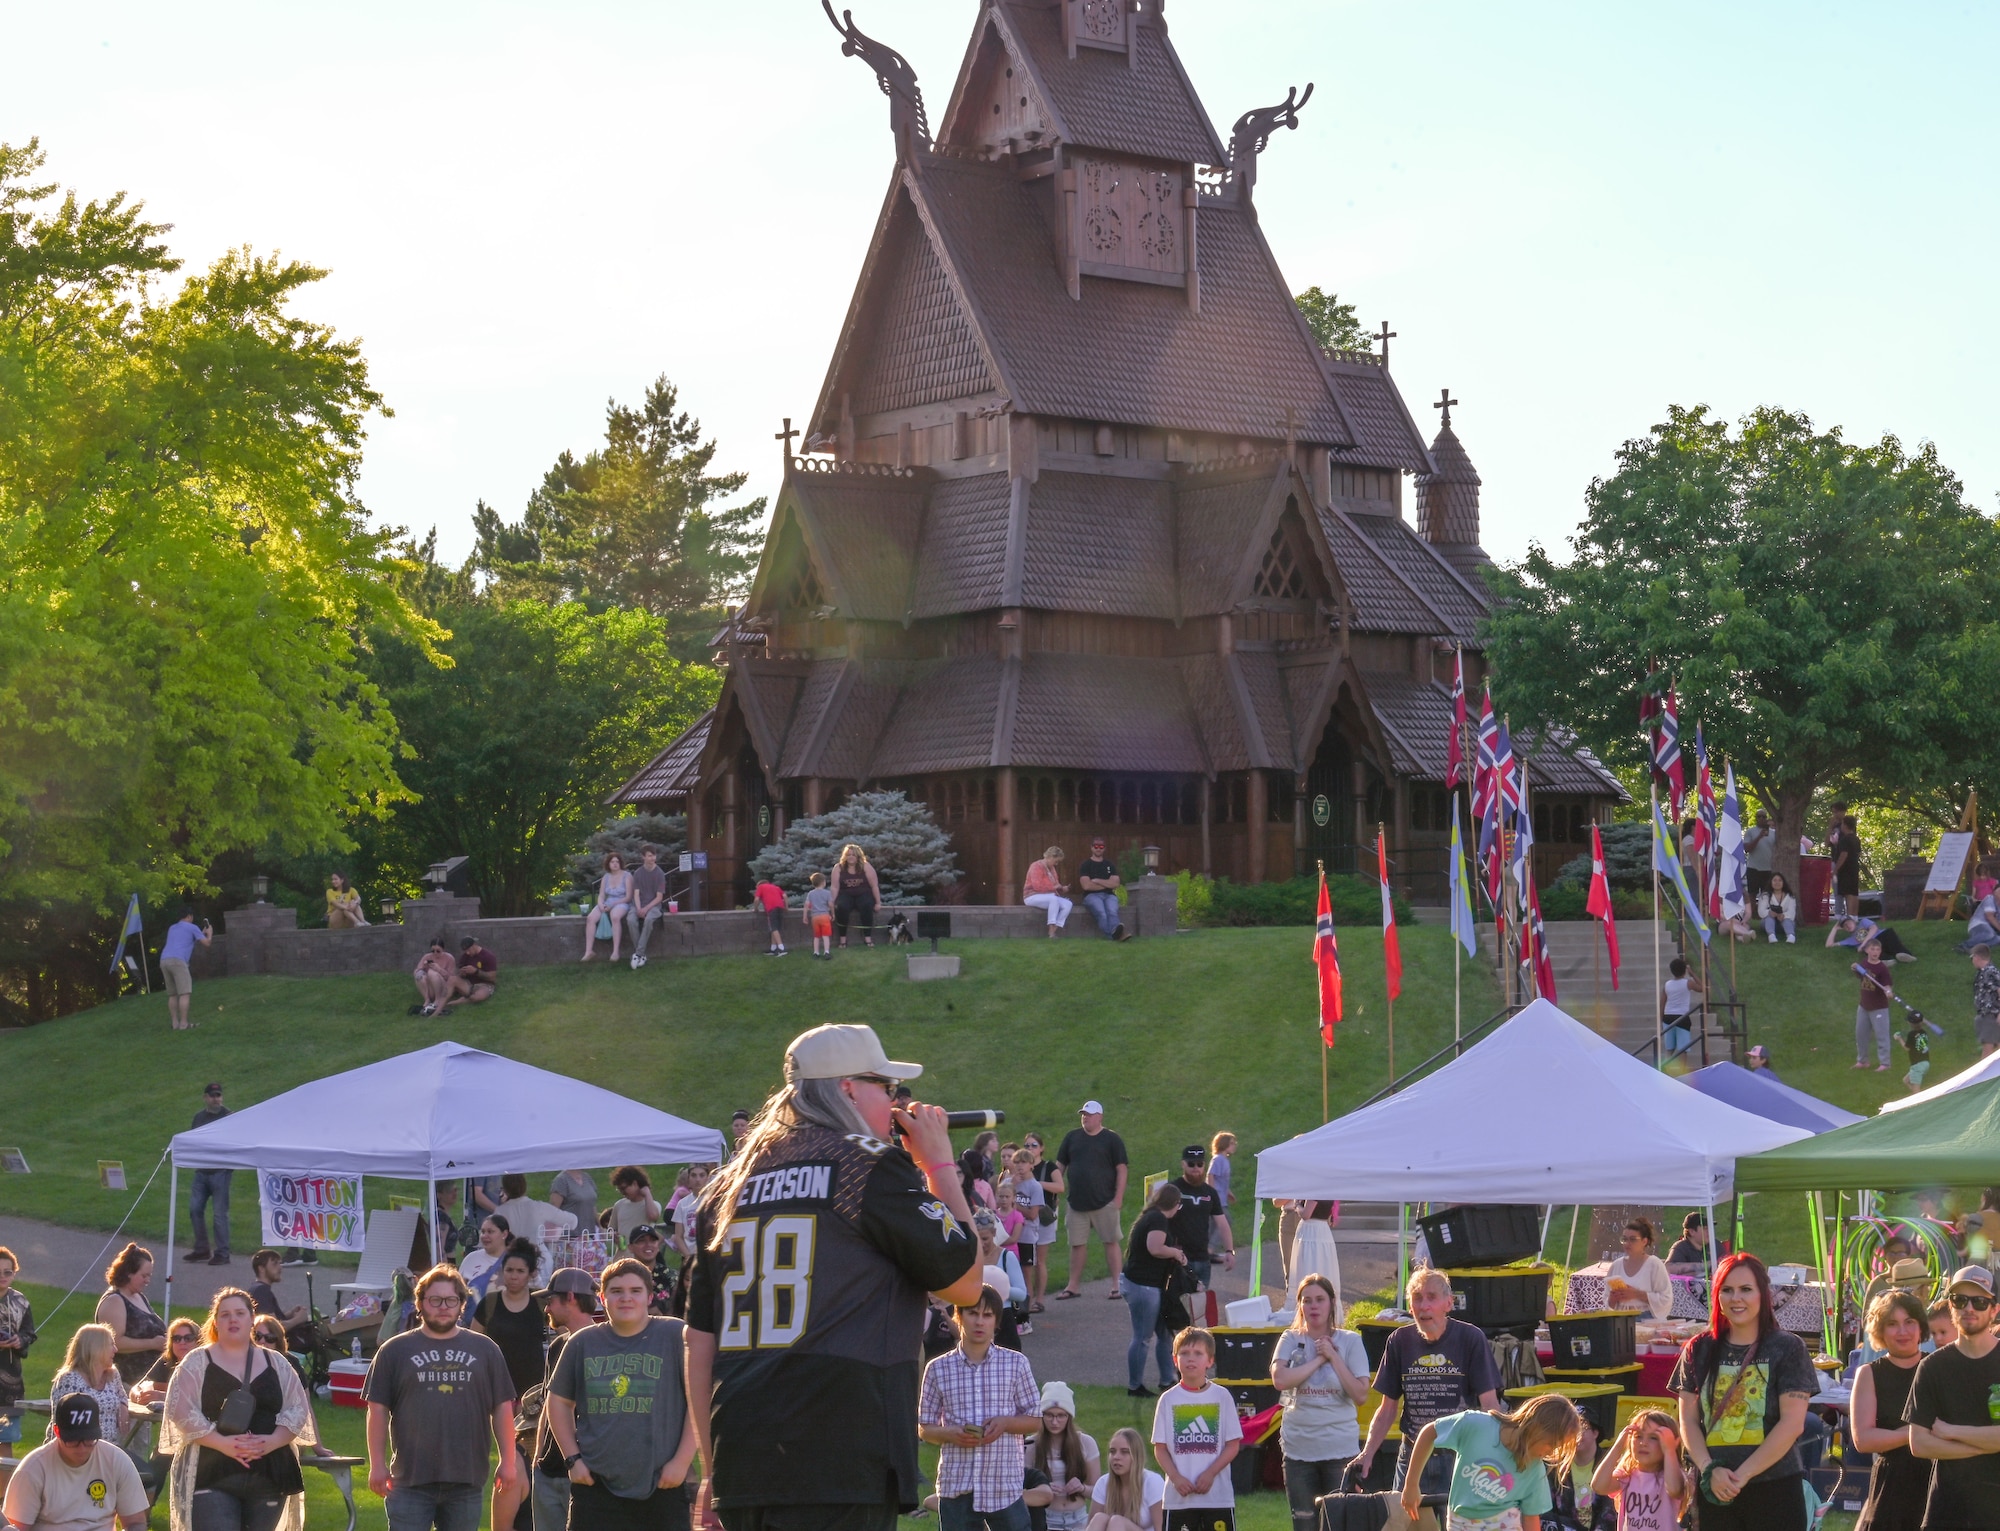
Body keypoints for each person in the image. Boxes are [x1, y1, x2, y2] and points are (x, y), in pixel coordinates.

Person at [684, 1023, 982, 1531]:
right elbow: (966, 1283)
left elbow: (699, 1344)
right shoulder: (869, 1168)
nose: (894, 1103)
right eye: (885, 1088)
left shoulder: (728, 1187)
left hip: (743, 1450)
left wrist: (714, 1472)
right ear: (848, 1088)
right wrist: (939, 1166)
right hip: (841, 1444)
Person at [363, 1263, 518, 1531]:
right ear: (420, 1303)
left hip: (466, 1480)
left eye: (450, 1300)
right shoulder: (394, 1351)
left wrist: (508, 1461)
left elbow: (503, 1408)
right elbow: (376, 1411)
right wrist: (376, 1465)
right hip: (410, 1480)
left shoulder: (485, 1350)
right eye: (435, 1300)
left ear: (461, 1304)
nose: (443, 1306)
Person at [546, 1257, 696, 1531]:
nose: (626, 1298)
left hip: (662, 1482)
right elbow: (558, 1402)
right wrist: (572, 1459)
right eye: (616, 1291)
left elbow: (697, 1402)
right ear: (602, 1297)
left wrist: (682, 1461)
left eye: (635, 1291)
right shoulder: (582, 1342)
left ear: (649, 1296)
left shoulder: (675, 1334)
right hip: (596, 1484)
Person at [1670, 1251, 1815, 1530]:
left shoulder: (1788, 1347)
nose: (1736, 1298)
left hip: (1775, 1488)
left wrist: (1741, 1476)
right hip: (1716, 1490)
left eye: (1746, 1289)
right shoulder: (1698, 1349)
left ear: (1763, 1294)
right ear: (1717, 1296)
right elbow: (1687, 1420)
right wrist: (1710, 1469)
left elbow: (1792, 1424)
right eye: (1727, 1290)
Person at [155, 1286, 315, 1531]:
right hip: (213, 1471)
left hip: (270, 1472)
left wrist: (271, 1441)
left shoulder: (277, 1363)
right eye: (225, 1314)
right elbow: (180, 1410)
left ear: (252, 1319)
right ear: (216, 1321)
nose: (232, 1319)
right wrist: (223, 1443)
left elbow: (298, 1410)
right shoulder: (197, 1361)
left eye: (239, 1313)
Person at [1355, 1268, 1503, 1497]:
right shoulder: (1398, 1341)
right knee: (1405, 1523)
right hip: (1413, 1454)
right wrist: (1367, 1454)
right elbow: (1387, 1409)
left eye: (1431, 1297)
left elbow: (1489, 1404)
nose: (1424, 1306)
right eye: (1417, 1298)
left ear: (1448, 1303)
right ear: (1410, 1305)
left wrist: (1495, 1454)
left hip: (1458, 1455)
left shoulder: (1470, 1338)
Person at [918, 1284, 1041, 1531]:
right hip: (957, 1482)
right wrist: (951, 1433)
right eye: (973, 1313)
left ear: (996, 1321)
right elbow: (924, 1427)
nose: (979, 1322)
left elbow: (1036, 1419)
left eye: (987, 1315)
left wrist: (1006, 1423)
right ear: (959, 1316)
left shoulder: (1015, 1364)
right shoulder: (938, 1368)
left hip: (1003, 1483)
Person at [1269, 1273, 1369, 1531]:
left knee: (1341, 1524)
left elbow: (1360, 1395)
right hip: (1298, 1451)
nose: (1313, 1306)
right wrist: (1318, 1360)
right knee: (1305, 1523)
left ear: (1332, 1303)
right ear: (1300, 1305)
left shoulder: (1350, 1341)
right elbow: (1280, 1380)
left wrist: (1334, 1358)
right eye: (1307, 1300)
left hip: (1339, 1451)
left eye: (1320, 1300)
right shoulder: (1291, 1339)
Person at [1400, 1392, 1581, 1530]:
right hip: (1459, 1522)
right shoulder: (1476, 1425)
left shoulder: (1535, 1469)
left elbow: (1531, 1517)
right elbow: (1429, 1433)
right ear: (1538, 1428)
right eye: (1552, 1444)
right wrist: (1411, 1484)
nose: (1551, 1452)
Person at [1908, 1264, 2000, 1530]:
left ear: (1994, 1310)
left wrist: (1951, 1431)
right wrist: (1984, 1446)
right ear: (1951, 1307)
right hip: (1947, 1509)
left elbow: (1933, 1438)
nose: (1969, 1308)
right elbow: (1920, 1445)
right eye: (1960, 1300)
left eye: (1980, 1302)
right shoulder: (1932, 1366)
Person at [3, 1393, 148, 1531]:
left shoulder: (116, 1460)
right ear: (57, 1431)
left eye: (89, 1440)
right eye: (73, 1440)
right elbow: (15, 1526)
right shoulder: (32, 1469)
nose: (82, 1447)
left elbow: (135, 1522)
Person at [1847, 1290, 1928, 1531]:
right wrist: (1916, 1433)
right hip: (1892, 1485)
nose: (1902, 1331)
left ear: (1921, 1327)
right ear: (1880, 1330)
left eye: (1909, 1322)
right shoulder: (1869, 1374)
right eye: (1892, 1324)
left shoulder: (1938, 1367)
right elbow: (1863, 1439)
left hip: (1937, 1480)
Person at [527, 1268, 600, 1531]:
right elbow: (550, 1403)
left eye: (550, 1301)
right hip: (548, 1470)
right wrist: (538, 1456)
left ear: (570, 1297)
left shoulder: (604, 1345)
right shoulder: (558, 1346)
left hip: (585, 1471)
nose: (547, 1309)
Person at [1150, 1328, 1242, 1531]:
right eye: (1184, 1353)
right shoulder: (1168, 1400)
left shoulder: (1222, 1397)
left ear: (1210, 1361)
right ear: (1175, 1360)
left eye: (1198, 1354)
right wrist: (1176, 1478)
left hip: (1217, 1498)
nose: (1190, 1359)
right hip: (1179, 1500)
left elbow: (1232, 1445)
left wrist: (1210, 1473)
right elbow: (1160, 1448)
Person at [1056, 1103, 1128, 1300]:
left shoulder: (1111, 1139)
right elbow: (1060, 1165)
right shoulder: (1072, 1137)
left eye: (1089, 1114)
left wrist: (1118, 1198)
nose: (1085, 1117)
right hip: (1076, 1202)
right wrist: (1054, 1189)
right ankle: (1073, 1286)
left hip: (1105, 1201)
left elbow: (1122, 1169)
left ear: (1100, 1117)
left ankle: (1117, 1285)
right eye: (1083, 1114)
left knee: (1110, 1241)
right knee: (1077, 1244)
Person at [1125, 1184, 1189, 1390]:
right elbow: (1155, 1248)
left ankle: (1167, 1379)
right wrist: (1175, 1253)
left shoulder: (1151, 1216)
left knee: (1165, 1334)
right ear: (1175, 1204)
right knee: (1143, 1337)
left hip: (1151, 1285)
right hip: (1143, 1285)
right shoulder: (1158, 1219)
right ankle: (1135, 1386)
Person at [471, 1239, 549, 1402]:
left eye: (520, 1271)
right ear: (502, 1271)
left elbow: (565, 1336)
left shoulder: (541, 1302)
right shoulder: (489, 1303)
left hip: (533, 1386)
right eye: (509, 1270)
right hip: (496, 1384)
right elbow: (472, 1344)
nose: (514, 1276)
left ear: (531, 1273)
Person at [1588, 1408, 1684, 1531]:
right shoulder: (1627, 1475)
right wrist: (1618, 1446)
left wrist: (1670, 1450)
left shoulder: (1672, 1475)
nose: (1643, 1443)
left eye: (1654, 1438)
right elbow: (1598, 1486)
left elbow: (1675, 1489)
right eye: (1638, 1436)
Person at [1028, 1382, 1099, 1531]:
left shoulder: (1086, 1442)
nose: (1055, 1422)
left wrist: (1081, 1488)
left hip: (1079, 1519)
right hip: (1046, 1519)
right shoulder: (1031, 1445)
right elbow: (1019, 1492)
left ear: (1069, 1417)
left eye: (1061, 1415)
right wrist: (1043, 1489)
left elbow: (1098, 1492)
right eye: (1049, 1415)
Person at [95, 1245, 169, 1388]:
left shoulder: (139, 1297)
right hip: (126, 1383)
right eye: (143, 1276)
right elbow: (114, 1342)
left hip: (149, 1382)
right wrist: (152, 1343)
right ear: (129, 1272)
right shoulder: (114, 1301)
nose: (147, 1280)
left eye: (149, 1276)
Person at [48, 1327, 128, 1450]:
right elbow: (61, 1420)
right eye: (111, 1345)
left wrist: (123, 1408)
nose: (116, 1350)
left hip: (110, 1449)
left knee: (142, 1468)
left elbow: (122, 1396)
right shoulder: (69, 1380)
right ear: (96, 1348)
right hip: (76, 1449)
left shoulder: (112, 1375)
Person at [1165, 1147, 1233, 1292]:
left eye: (1199, 1164)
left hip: (1203, 1258)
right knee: (1177, 1307)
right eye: (1191, 1164)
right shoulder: (1172, 1189)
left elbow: (1222, 1223)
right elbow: (1159, 1221)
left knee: (1199, 1306)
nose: (1196, 1168)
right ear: (1183, 1164)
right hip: (1178, 1259)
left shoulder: (1210, 1193)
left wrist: (1229, 1251)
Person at [185, 1086, 234, 1265]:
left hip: (221, 1172)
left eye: (219, 1096)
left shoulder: (229, 1117)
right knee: (194, 1209)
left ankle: (223, 1253)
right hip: (202, 1171)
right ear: (205, 1097)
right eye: (213, 1096)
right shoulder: (199, 1117)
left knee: (220, 1214)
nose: (217, 1099)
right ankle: (202, 1249)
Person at [497, 1176, 576, 1276]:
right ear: (525, 1186)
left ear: (505, 1189)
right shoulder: (539, 1207)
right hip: (539, 1260)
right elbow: (572, 1221)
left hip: (511, 1262)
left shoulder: (500, 1212)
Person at [1087, 1428, 1164, 1531]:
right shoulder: (1103, 1483)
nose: (1116, 1457)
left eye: (1124, 1452)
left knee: (1117, 1521)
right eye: (1112, 1452)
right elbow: (1091, 1525)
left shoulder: (1152, 1482)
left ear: (1136, 1456)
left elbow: (1161, 1528)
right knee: (1099, 1518)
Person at [0, 1248, 36, 1460]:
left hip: (9, 1385)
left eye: (7, 1272)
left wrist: (19, 1340)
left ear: (15, 1273)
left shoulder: (20, 1302)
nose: (3, 1277)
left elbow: (29, 1332)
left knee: (6, 1441)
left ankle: (5, 1493)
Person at [1606, 1218, 1674, 1319]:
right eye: (1624, 1239)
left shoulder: (1654, 1264)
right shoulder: (1616, 1265)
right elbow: (1606, 1301)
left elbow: (1666, 1299)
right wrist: (1612, 1299)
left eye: (1632, 1239)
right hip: (1619, 1319)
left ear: (1644, 1241)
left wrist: (1637, 1294)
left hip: (1646, 1319)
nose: (1627, 1243)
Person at [161, 910, 213, 1031]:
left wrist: (201, 933)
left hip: (164, 960)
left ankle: (175, 1023)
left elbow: (185, 941)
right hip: (178, 961)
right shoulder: (192, 927)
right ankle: (184, 1024)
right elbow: (207, 943)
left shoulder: (172, 928)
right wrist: (209, 933)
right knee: (184, 993)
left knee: (172, 994)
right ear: (189, 916)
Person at [1286, 1202, 1341, 1305]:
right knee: (1322, 1266)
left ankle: (1308, 1302)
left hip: (1311, 1232)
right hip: (1322, 1231)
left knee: (1308, 1265)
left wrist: (1297, 1205)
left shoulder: (1315, 1189)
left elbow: (1306, 1214)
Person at [1075, 839, 1129, 942]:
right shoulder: (1086, 865)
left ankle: (1115, 935)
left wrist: (1097, 881)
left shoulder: (1109, 865)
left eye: (1101, 847)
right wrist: (1108, 884)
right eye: (1096, 846)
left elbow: (1116, 884)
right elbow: (1086, 886)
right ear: (1091, 848)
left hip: (1109, 895)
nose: (1098, 849)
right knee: (1102, 913)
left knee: (1112, 911)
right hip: (1091, 896)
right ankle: (1116, 935)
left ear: (1104, 849)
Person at [829, 843, 880, 948]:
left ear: (858, 857)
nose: (851, 857)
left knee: (866, 905)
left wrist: (878, 902)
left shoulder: (866, 866)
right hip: (845, 894)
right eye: (848, 855)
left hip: (863, 894)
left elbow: (874, 885)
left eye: (853, 855)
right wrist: (832, 902)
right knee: (841, 907)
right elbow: (834, 887)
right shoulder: (838, 868)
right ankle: (843, 939)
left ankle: (868, 937)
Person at [1857, 938, 1896, 1072]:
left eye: (1877, 949)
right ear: (1867, 950)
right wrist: (1854, 968)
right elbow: (1860, 975)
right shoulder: (1864, 963)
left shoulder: (1882, 968)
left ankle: (1885, 1064)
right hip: (1863, 1006)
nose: (1875, 952)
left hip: (1879, 1008)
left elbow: (1887, 984)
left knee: (1882, 1035)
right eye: (1872, 949)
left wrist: (1889, 992)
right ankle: (1863, 1061)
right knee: (1860, 1034)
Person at [627, 847, 668, 969]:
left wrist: (646, 909)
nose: (652, 858)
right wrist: (639, 908)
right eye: (649, 856)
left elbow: (659, 897)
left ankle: (638, 954)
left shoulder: (660, 874)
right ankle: (642, 955)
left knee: (649, 920)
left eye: (654, 855)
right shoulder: (638, 873)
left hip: (654, 906)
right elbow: (636, 894)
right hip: (639, 904)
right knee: (630, 920)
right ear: (643, 857)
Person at [1023, 848, 1073, 938]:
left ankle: (1055, 929)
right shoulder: (1036, 866)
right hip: (1032, 895)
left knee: (1068, 904)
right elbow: (1037, 886)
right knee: (1053, 899)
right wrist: (1054, 887)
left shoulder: (1052, 869)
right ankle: (1051, 929)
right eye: (1056, 861)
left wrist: (1062, 889)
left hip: (1048, 896)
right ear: (1050, 857)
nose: (1056, 864)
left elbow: (1054, 886)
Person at [1829, 913, 1917, 963]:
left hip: (1882, 937)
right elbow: (1829, 945)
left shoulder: (1863, 922)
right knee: (1869, 948)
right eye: (1844, 926)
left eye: (1848, 922)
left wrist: (1862, 945)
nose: (1847, 926)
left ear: (1854, 921)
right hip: (1873, 946)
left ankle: (1904, 954)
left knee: (1889, 934)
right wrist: (1834, 929)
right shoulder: (1850, 940)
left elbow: (1874, 928)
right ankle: (1886, 960)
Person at [1660, 957, 1703, 1057]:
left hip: (1668, 1017)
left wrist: (1661, 1020)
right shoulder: (1688, 983)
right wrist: (1692, 974)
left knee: (1669, 1049)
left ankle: (1665, 1071)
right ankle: (1683, 1071)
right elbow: (1702, 988)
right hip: (1682, 1017)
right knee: (1683, 1049)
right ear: (1684, 970)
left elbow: (1662, 1003)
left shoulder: (1667, 984)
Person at [608, 1168, 662, 1246]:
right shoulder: (619, 1205)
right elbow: (611, 1228)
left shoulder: (653, 1205)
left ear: (635, 1184)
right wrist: (613, 1235)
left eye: (623, 1188)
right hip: (622, 1252)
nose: (622, 1192)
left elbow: (653, 1217)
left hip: (642, 1253)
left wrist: (647, 1193)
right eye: (619, 1189)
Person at [547, 1170, 598, 1245]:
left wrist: (600, 1226)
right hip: (569, 1238)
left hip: (588, 1236)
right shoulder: (561, 1180)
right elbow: (553, 1210)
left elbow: (591, 1205)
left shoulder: (587, 1178)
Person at [445, 937, 498, 1008]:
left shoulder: (488, 956)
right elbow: (458, 972)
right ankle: (441, 1002)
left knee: (478, 997)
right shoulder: (465, 957)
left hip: (485, 985)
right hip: (469, 983)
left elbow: (492, 977)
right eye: (465, 951)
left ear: (474, 945)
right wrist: (462, 973)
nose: (467, 952)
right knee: (452, 979)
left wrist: (476, 971)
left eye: (469, 950)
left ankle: (456, 1002)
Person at [411, 938, 457, 1017]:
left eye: (438, 951)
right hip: (429, 988)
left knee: (432, 973)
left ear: (443, 949)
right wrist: (423, 968)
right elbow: (417, 970)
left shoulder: (449, 958)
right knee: (419, 975)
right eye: (433, 951)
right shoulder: (427, 957)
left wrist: (439, 969)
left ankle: (437, 1000)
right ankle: (427, 999)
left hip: (443, 987)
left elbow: (451, 978)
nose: (435, 953)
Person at [1832, 814, 1862, 920]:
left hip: (1846, 869)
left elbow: (1843, 854)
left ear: (1845, 825)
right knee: (1854, 892)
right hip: (1854, 867)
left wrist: (1836, 870)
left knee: (1848, 893)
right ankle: (1855, 915)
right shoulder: (1856, 839)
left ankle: (1850, 916)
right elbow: (1858, 853)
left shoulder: (1845, 840)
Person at [1974, 945, 2000, 1060]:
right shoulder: (1984, 972)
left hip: (1990, 1015)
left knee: (1987, 1054)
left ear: (1977, 957)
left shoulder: (1989, 972)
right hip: (1988, 1015)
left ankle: (1983, 1078)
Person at [1743, 810, 1775, 904]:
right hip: (1753, 868)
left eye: (1764, 817)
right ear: (1756, 818)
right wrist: (1759, 837)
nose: (1761, 818)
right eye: (1759, 816)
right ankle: (1751, 914)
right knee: (1752, 894)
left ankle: (1764, 915)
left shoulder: (1774, 833)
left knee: (1767, 895)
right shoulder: (1750, 832)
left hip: (1768, 869)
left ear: (1767, 818)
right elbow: (1747, 849)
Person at [752, 877, 788, 957]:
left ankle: (782, 949)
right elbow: (785, 896)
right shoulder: (776, 887)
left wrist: (755, 909)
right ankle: (773, 949)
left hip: (772, 908)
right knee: (775, 928)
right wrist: (787, 907)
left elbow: (756, 900)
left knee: (774, 928)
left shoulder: (760, 887)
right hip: (780, 908)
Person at [803, 873, 834, 960]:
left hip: (815, 917)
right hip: (824, 916)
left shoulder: (811, 893)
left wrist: (805, 916)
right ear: (823, 882)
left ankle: (816, 952)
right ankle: (826, 952)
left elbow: (806, 905)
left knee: (816, 936)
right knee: (825, 936)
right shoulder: (827, 893)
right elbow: (831, 904)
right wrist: (833, 913)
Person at [1760, 872, 1797, 944]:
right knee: (1769, 918)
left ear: (1783, 883)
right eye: (1775, 880)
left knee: (1787, 920)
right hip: (1768, 923)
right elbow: (1761, 911)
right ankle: (1771, 936)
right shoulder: (1765, 895)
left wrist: (1783, 915)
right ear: (1771, 882)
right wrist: (1769, 913)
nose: (1777, 883)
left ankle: (1791, 936)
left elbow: (1792, 913)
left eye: (1780, 880)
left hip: (1784, 922)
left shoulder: (1790, 896)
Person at [1903, 1010, 1933, 1093]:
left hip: (1917, 1065)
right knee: (1906, 1080)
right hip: (1926, 1063)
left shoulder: (1911, 1034)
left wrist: (1899, 1039)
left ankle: (1920, 1100)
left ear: (1911, 1023)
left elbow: (1907, 1048)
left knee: (1916, 1092)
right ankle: (1921, 1095)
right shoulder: (1924, 1032)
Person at [1207, 1134, 1236, 1210]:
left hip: (1222, 1201)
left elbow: (1221, 1181)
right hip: (1217, 1201)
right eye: (1232, 1143)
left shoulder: (1225, 1160)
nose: (1234, 1146)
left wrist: (1228, 1193)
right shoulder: (1218, 1159)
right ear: (1224, 1144)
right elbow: (1210, 1175)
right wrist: (1212, 1195)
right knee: (1226, 1221)